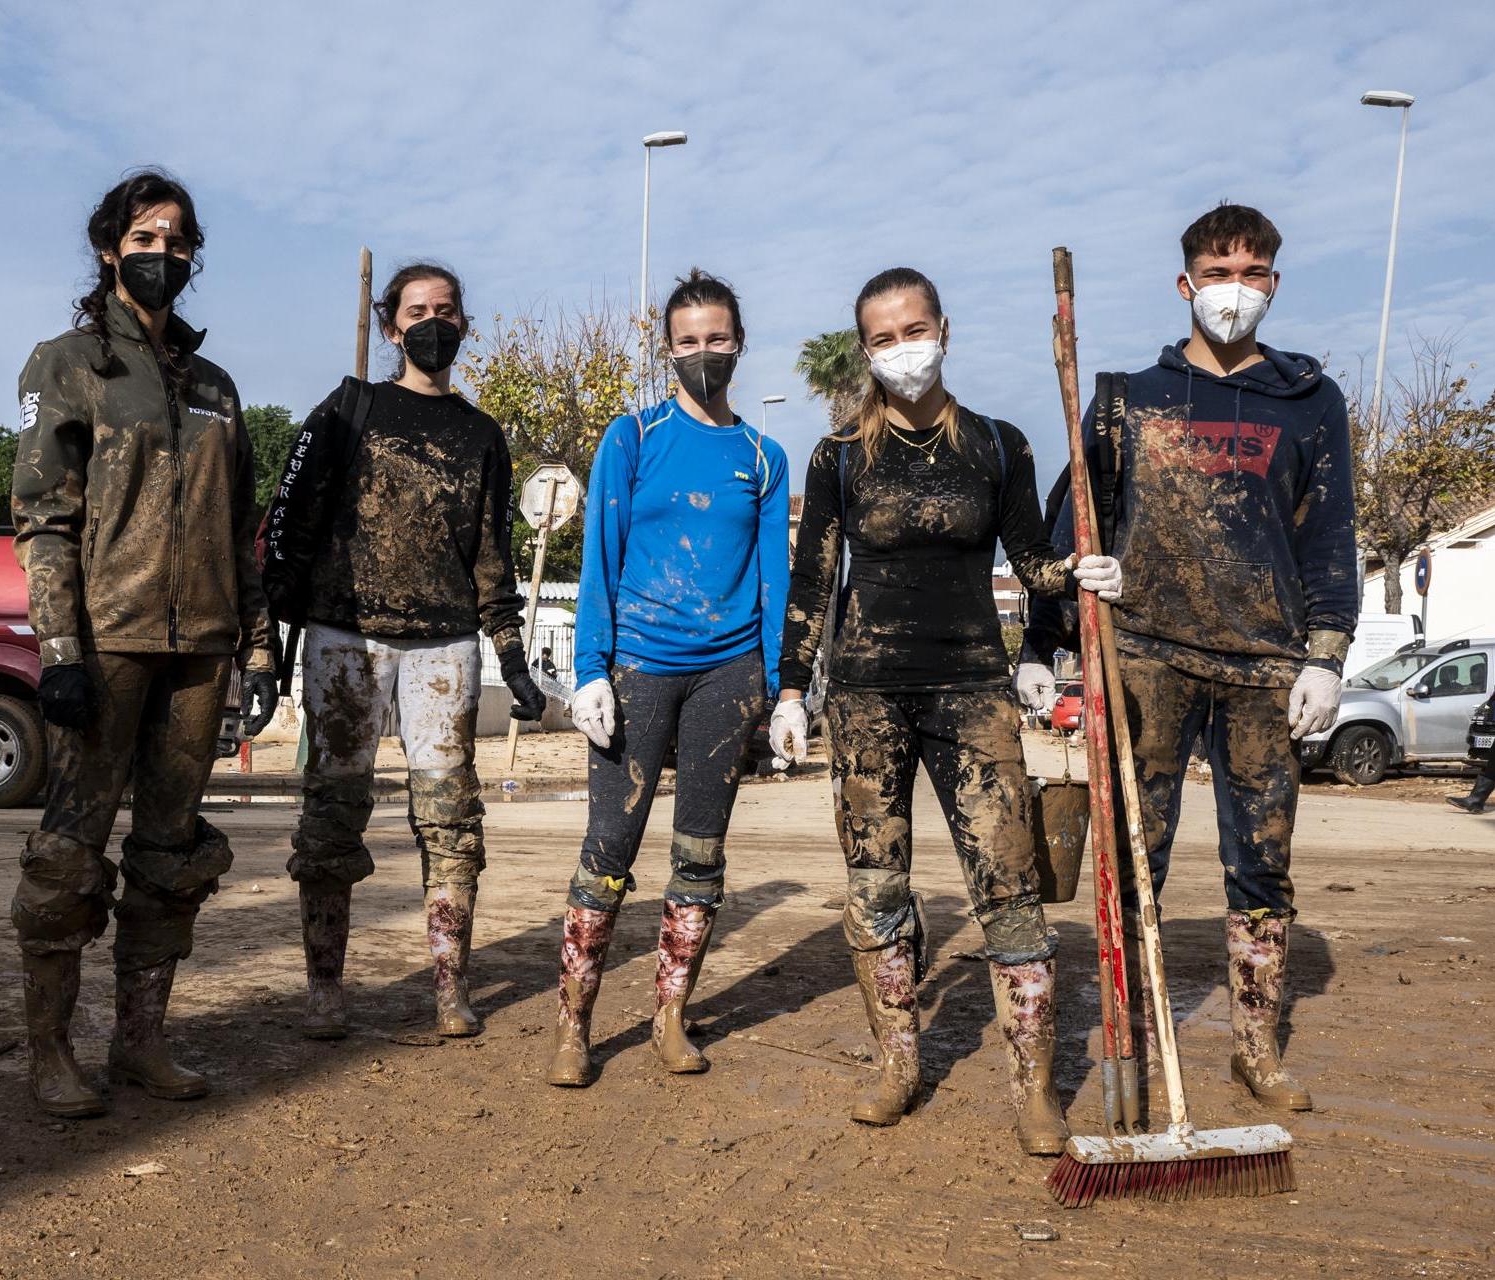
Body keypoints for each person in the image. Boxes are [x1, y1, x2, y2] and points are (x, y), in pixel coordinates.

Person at [1019, 203, 1358, 1113]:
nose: (1233, 290)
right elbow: (1072, 526)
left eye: (1251, 273)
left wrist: (1327, 655)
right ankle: (1128, 1034)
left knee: (1263, 863)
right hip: (1148, 657)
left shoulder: (1313, 404)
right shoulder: (1130, 399)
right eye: (1218, 272)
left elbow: (1330, 537)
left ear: (1275, 285)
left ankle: (1255, 1046)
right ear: (1186, 285)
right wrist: (1042, 641)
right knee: (1137, 859)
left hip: (1264, 663)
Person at [773, 267, 1121, 1148]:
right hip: (865, 695)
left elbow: (1031, 555)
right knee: (877, 886)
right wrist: (790, 686)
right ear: (865, 350)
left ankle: (1034, 1088)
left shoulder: (997, 446)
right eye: (883, 338)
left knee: (1009, 890)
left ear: (944, 329)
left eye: (914, 329)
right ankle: (898, 1064)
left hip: (973, 690)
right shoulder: (840, 456)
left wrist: (1078, 573)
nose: (903, 350)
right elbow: (812, 579)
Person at [9, 170, 277, 1118]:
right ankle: (48, 1053)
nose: (161, 254)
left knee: (170, 853)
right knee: (69, 852)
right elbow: (44, 519)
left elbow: (243, 531)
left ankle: (140, 1044)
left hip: (200, 650)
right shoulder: (72, 363)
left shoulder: (215, 388)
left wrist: (256, 649)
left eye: (177, 240)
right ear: (108, 246)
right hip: (108, 644)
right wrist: (61, 651)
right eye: (144, 237)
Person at [263, 263, 543, 1042]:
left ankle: (450, 988)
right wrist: (264, 643)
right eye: (417, 311)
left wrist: (512, 653)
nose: (432, 322)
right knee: (332, 812)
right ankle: (325, 989)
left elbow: (493, 555)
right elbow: (288, 517)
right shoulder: (349, 409)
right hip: (344, 635)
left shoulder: (482, 434)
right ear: (391, 327)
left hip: (445, 643)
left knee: (451, 817)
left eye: (445, 310)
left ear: (464, 324)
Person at [547, 269, 790, 1087]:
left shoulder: (761, 455)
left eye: (718, 338)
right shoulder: (633, 438)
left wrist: (778, 685)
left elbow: (773, 579)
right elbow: (599, 561)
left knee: (700, 855)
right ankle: (573, 1026)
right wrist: (589, 670)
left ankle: (669, 1016)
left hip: (729, 675)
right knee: (607, 851)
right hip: (639, 672)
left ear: (740, 343)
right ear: (667, 350)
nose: (704, 353)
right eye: (688, 341)